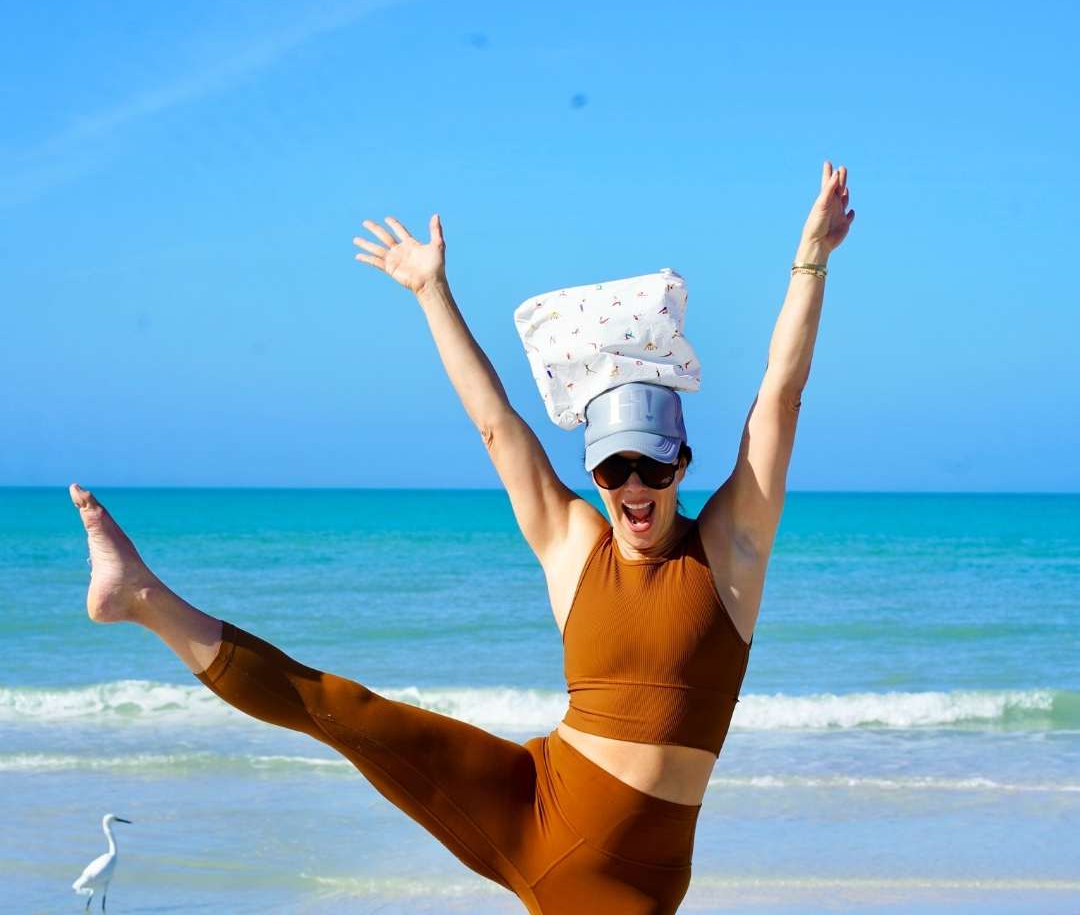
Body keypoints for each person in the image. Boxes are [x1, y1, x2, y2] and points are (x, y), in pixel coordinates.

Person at [70, 162, 853, 914]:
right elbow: (496, 427)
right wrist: (430, 291)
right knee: (343, 710)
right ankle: (140, 597)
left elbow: (779, 399)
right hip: (527, 800)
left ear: (682, 463)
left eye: (651, 466)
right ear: (593, 475)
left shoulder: (727, 553)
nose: (634, 487)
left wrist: (810, 261)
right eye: (613, 470)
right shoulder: (575, 544)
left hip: (628, 891)